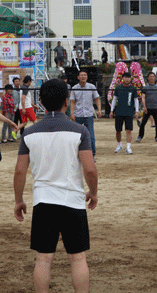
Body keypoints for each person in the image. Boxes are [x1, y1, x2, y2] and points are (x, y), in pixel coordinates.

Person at [14, 78, 98, 293]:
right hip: (73, 201)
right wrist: (93, 193)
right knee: (78, 258)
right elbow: (89, 169)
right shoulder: (80, 131)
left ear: (41, 101)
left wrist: (19, 200)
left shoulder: (29, 133)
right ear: (66, 101)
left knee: (43, 259)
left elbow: (20, 170)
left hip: (43, 201)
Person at [70, 70, 102, 158]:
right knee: (76, 136)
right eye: (81, 75)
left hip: (88, 115)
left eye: (85, 75)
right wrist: (72, 114)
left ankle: (92, 155)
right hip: (78, 114)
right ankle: (75, 154)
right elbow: (72, 101)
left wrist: (99, 110)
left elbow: (97, 98)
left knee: (91, 136)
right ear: (78, 77)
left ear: (87, 77)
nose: (83, 77)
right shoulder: (74, 88)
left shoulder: (91, 87)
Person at [109, 72, 139, 155]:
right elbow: (114, 100)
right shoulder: (118, 88)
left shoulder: (133, 89)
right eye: (125, 77)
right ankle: (119, 145)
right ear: (122, 78)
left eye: (129, 77)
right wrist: (112, 110)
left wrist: (136, 111)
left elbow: (136, 100)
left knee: (128, 130)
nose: (127, 79)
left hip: (129, 112)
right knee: (118, 130)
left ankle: (128, 147)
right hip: (119, 112)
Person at [137, 72, 157, 143]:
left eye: (153, 76)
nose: (152, 78)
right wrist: (144, 106)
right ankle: (140, 136)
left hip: (155, 108)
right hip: (147, 108)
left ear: (154, 78)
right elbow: (143, 97)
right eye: (150, 76)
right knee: (143, 123)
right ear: (148, 78)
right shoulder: (145, 87)